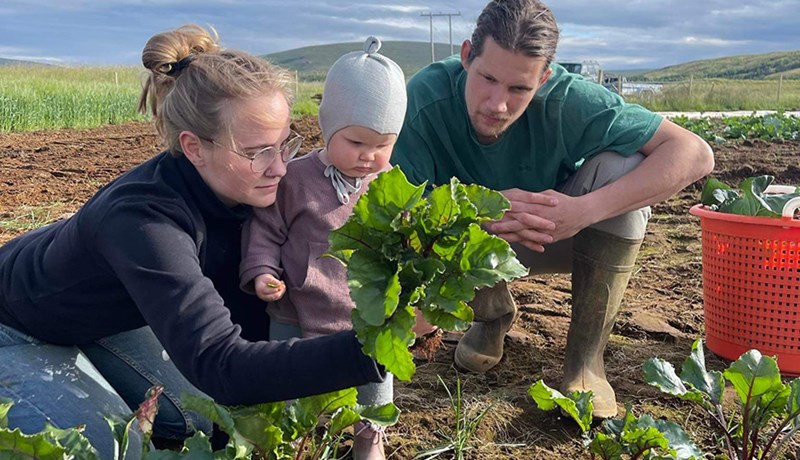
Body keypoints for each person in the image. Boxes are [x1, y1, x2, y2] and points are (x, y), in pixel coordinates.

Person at [0, 24, 385, 458]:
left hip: (101, 318)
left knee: (200, 418)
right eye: (257, 151)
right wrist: (374, 347)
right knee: (111, 447)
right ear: (195, 147)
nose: (280, 168)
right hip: (14, 324)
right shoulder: (145, 221)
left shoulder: (244, 190)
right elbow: (220, 364)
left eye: (284, 145)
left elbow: (244, 327)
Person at [392, 0, 714, 418]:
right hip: (469, 247)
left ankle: (586, 361)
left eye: (519, 89)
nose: (497, 104)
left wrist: (584, 210)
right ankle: (491, 317)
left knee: (622, 167)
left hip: (553, 235)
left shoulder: (569, 98)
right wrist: (475, 213)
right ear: (467, 55)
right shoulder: (425, 98)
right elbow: (396, 211)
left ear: (543, 78)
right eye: (488, 79)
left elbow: (694, 153)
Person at [239, 36, 427, 460]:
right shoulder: (295, 179)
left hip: (367, 313)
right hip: (296, 307)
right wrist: (263, 272)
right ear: (328, 128)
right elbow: (266, 230)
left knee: (374, 383)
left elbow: (408, 245)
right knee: (287, 379)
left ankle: (369, 438)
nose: (369, 156)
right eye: (357, 142)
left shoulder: (391, 185)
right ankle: (287, 440)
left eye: (383, 145)